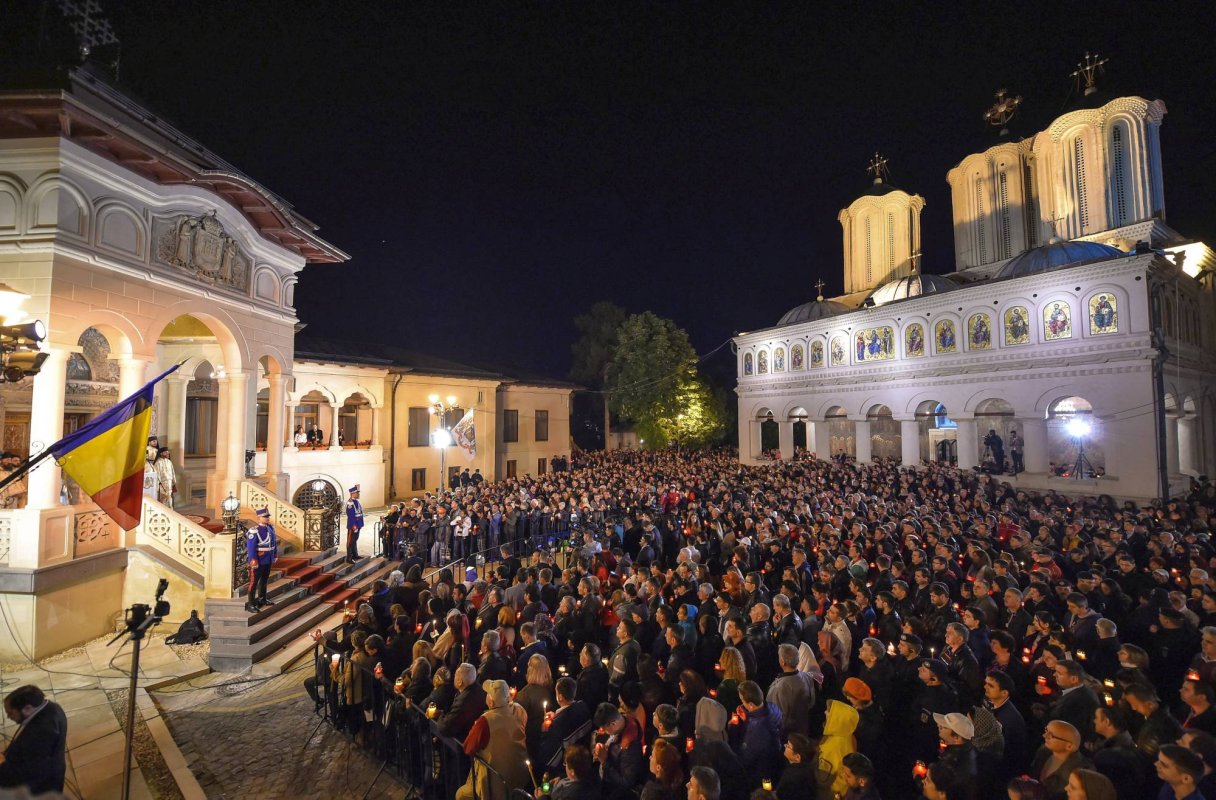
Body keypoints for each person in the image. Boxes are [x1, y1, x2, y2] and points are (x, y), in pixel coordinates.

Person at [457, 679, 530, 800]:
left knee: (461, 795)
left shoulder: (485, 721)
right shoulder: (519, 709)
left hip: (495, 782)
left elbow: (468, 748)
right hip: (519, 775)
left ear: (490, 701)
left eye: (487, 694)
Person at [0, 685, 67, 794]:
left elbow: (28, 772)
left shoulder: (41, 732)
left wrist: (2, 765)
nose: (8, 717)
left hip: (39, 788)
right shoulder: (52, 707)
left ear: (27, 709)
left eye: (11, 713)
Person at [245, 507, 277, 612]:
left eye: (268, 516)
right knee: (254, 582)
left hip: (268, 559)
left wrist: (274, 554)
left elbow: (274, 543)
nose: (267, 518)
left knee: (264, 580)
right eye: (265, 516)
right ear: (259, 518)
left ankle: (262, 599)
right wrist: (253, 561)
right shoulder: (254, 531)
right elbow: (251, 548)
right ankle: (251, 604)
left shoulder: (270, 528)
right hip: (259, 560)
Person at [346, 484, 364, 562]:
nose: (358, 494)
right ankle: (349, 558)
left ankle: (355, 555)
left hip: (358, 524)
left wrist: (360, 524)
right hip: (353, 526)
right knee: (350, 542)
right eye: (357, 493)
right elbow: (350, 516)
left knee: (354, 540)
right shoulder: (350, 503)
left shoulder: (356, 501)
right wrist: (354, 526)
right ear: (352, 493)